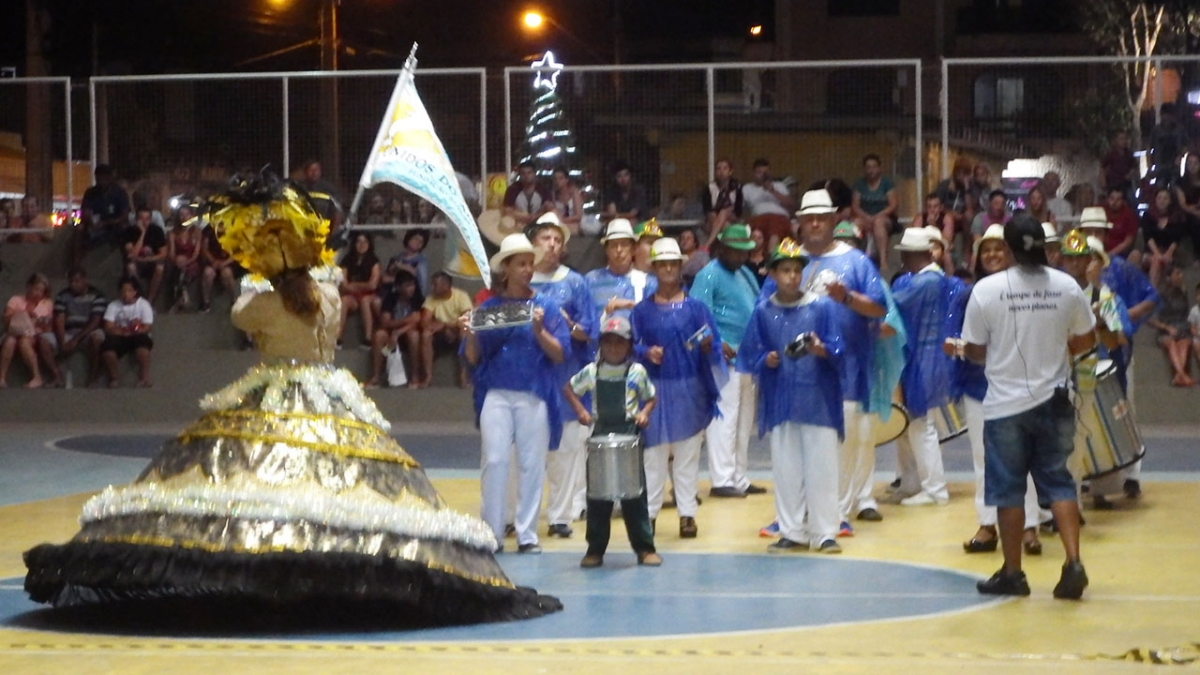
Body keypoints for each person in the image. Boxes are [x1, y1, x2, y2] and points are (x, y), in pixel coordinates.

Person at [25, 173, 561, 624]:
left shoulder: (261, 302)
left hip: (273, 385)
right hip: (326, 389)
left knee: (253, 474)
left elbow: (241, 318)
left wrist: (256, 278)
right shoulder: (329, 296)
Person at [961, 213, 1096, 600]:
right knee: (1059, 483)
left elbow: (974, 351)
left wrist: (986, 350)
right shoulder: (1067, 287)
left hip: (1005, 407)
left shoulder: (986, 291)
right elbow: (1087, 340)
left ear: (1007, 249)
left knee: (1008, 491)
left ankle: (1013, 573)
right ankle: (1073, 562)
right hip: (1055, 399)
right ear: (1045, 247)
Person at [760, 189, 887, 532]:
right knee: (791, 449)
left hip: (843, 371)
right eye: (808, 219)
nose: (815, 224)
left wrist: (846, 298)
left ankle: (834, 514)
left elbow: (879, 307)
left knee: (836, 448)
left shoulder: (856, 262)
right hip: (792, 376)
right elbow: (765, 310)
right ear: (799, 223)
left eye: (821, 218)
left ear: (834, 220)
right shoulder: (786, 260)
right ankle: (792, 517)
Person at [462, 233, 570, 554]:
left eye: (529, 264)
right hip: (496, 393)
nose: (527, 270)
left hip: (533, 394)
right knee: (495, 460)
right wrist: (470, 334)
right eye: (520, 264)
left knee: (532, 464)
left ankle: (527, 534)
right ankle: (492, 532)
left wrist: (539, 331)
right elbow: (473, 357)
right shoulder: (488, 308)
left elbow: (560, 353)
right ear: (506, 268)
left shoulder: (545, 306)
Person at [738, 238, 845, 554]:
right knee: (786, 470)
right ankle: (792, 531)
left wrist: (822, 350)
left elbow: (839, 349)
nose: (792, 277)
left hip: (818, 400)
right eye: (785, 270)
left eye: (797, 271)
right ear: (772, 274)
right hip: (781, 400)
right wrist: (766, 360)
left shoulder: (821, 307)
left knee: (822, 468)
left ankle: (825, 532)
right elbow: (750, 353)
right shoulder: (763, 312)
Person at [949, 225, 1043, 555]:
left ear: (1011, 252)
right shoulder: (969, 294)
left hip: (1020, 385)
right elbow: (960, 337)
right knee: (983, 457)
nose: (992, 255)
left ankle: (1029, 526)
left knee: (1024, 457)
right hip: (979, 387)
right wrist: (957, 349)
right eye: (986, 250)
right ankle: (988, 523)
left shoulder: (1029, 291)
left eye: (998, 248)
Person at [632, 237, 724, 538]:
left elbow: (714, 345)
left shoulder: (696, 309)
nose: (669, 269)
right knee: (653, 456)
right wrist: (646, 352)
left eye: (673, 264)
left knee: (687, 456)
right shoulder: (641, 311)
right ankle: (649, 516)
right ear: (654, 268)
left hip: (689, 388)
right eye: (663, 264)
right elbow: (629, 348)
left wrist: (708, 345)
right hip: (654, 391)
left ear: (680, 267)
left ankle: (687, 514)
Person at [563, 315, 661, 568]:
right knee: (598, 497)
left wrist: (644, 413)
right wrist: (581, 411)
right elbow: (569, 389)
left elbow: (651, 397)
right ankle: (595, 549)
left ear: (629, 346)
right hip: (600, 436)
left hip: (629, 436)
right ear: (600, 345)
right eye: (608, 343)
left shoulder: (637, 372)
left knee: (634, 496)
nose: (614, 348)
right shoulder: (591, 371)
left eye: (620, 343)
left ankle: (644, 548)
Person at [527, 212, 598, 540]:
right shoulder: (521, 282)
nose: (552, 245)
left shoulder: (575, 282)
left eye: (558, 240)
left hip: (567, 374)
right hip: (529, 375)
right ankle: (520, 515)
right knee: (526, 450)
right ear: (533, 243)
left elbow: (589, 330)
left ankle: (560, 515)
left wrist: (569, 326)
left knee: (567, 449)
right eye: (546, 238)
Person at [690, 223, 764, 498]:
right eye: (735, 251)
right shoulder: (708, 275)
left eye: (744, 252)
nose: (741, 256)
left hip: (748, 356)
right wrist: (716, 343)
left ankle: (739, 477)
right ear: (721, 248)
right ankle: (721, 479)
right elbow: (696, 318)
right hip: (722, 359)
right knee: (725, 417)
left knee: (744, 421)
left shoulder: (745, 273)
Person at [889, 228, 953, 507]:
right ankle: (912, 482)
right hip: (924, 358)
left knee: (920, 425)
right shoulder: (932, 279)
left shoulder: (925, 282)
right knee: (909, 425)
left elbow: (890, 305)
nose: (903, 259)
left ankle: (935, 489)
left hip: (924, 360)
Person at [586, 218, 658, 322]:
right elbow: (583, 317)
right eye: (614, 245)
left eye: (624, 244)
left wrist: (628, 304)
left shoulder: (649, 283)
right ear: (606, 250)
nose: (619, 250)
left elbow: (656, 318)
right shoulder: (590, 280)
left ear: (633, 249)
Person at [46, 269, 107, 388]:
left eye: (77, 281)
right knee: (44, 342)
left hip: (88, 331)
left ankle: (93, 378)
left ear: (84, 280)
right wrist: (62, 342)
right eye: (71, 282)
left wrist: (75, 340)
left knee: (96, 339)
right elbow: (59, 320)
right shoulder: (63, 295)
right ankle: (57, 376)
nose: (73, 284)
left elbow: (95, 321)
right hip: (68, 331)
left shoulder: (97, 295)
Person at [366, 269, 425, 388]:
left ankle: (415, 376)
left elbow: (417, 322)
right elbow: (385, 323)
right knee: (379, 335)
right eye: (407, 286)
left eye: (412, 285)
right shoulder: (391, 298)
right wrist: (406, 320)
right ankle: (376, 376)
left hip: (406, 333)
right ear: (398, 287)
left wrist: (398, 332)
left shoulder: (418, 299)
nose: (411, 289)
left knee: (414, 335)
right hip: (391, 334)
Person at [419, 271, 473, 388]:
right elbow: (424, 321)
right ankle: (428, 376)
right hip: (440, 333)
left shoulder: (461, 296)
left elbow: (467, 320)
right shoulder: (431, 299)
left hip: (457, 331)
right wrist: (443, 328)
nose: (432, 288)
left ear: (445, 285)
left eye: (435, 285)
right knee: (426, 334)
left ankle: (464, 375)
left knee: (465, 332)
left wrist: (446, 325)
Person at [1, 273, 54, 389]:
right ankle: (2, 377)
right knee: (10, 341)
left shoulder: (47, 303)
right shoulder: (16, 300)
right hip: (14, 331)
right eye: (36, 289)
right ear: (29, 287)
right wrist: (23, 313)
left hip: (34, 334)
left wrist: (41, 322)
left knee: (24, 341)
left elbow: (49, 327)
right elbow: (6, 319)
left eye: (41, 291)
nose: (38, 293)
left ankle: (37, 377)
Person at [100, 276, 154, 388]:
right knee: (107, 346)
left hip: (137, 335)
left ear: (135, 292)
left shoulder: (143, 304)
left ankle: (144, 378)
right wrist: (122, 332)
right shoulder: (113, 305)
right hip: (120, 336)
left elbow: (147, 327)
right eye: (123, 291)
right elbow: (108, 327)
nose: (125, 294)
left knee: (142, 343)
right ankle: (114, 379)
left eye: (129, 291)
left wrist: (134, 330)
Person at [73, 164, 131, 268]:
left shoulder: (119, 192)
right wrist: (90, 220)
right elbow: (85, 211)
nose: (101, 182)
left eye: (104, 178)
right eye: (99, 178)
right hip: (94, 225)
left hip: (113, 225)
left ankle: (126, 263)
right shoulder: (90, 192)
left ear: (110, 178)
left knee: (125, 230)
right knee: (79, 229)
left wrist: (106, 223)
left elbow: (124, 215)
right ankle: (77, 264)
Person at [851, 154, 900, 274]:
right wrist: (867, 217)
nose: (871, 170)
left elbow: (893, 205)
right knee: (855, 224)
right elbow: (855, 206)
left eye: (874, 167)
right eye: (868, 167)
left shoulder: (887, 183)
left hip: (884, 217)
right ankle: (855, 259)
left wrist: (877, 216)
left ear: (879, 168)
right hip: (864, 217)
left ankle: (883, 261)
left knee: (879, 223)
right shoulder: (859, 184)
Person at [1148, 266, 1195, 387]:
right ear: (1169, 277)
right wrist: (1167, 328)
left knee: (1184, 343)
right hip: (1166, 330)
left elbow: (1186, 314)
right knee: (1171, 343)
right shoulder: (1161, 295)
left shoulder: (1183, 293)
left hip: (1182, 328)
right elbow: (1151, 319)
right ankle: (1182, 374)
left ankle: (1179, 376)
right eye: (1177, 273)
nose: (1181, 276)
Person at [336, 232, 381, 348]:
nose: (362, 245)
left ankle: (367, 339)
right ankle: (338, 338)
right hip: (352, 295)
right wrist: (360, 286)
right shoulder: (347, 260)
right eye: (359, 241)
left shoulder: (374, 261)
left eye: (365, 242)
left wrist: (354, 284)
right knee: (344, 300)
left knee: (365, 301)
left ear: (369, 244)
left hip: (370, 295)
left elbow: (373, 285)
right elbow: (344, 284)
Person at [1139, 188, 1188, 287]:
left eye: (1165, 198)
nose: (1162, 201)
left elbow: (1176, 239)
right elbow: (1148, 236)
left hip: (1169, 253)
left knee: (1157, 261)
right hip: (1151, 251)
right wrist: (1157, 253)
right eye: (1159, 198)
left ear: (1170, 201)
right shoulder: (1147, 215)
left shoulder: (1178, 217)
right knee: (1152, 259)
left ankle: (1152, 292)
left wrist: (1168, 254)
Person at [742, 158, 796, 247]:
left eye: (765, 172)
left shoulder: (779, 185)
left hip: (779, 217)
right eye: (759, 172)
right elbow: (740, 209)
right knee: (757, 229)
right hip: (758, 218)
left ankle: (771, 254)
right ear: (754, 173)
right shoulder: (747, 188)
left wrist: (773, 191)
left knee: (775, 226)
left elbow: (791, 204)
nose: (763, 175)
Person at [122, 207, 168, 306]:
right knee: (130, 267)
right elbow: (132, 254)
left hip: (151, 261)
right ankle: (139, 297)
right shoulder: (129, 231)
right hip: (137, 262)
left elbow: (163, 253)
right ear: (136, 219)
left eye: (147, 218)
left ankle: (150, 301)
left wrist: (150, 258)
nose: (144, 221)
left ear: (150, 220)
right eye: (141, 218)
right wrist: (142, 233)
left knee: (160, 268)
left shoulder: (157, 230)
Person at [200, 222, 241, 312]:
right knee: (208, 273)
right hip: (212, 261)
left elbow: (237, 252)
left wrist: (224, 263)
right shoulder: (209, 229)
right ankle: (206, 302)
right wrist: (213, 261)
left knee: (226, 273)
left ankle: (233, 300)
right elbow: (204, 249)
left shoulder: (233, 229)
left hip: (228, 261)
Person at [702, 158, 743, 245]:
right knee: (725, 225)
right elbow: (708, 211)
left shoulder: (737, 187)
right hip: (713, 221)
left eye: (725, 168)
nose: (721, 171)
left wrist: (727, 214)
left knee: (724, 212)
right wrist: (719, 221)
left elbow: (738, 211)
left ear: (730, 171)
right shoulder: (709, 188)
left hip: (732, 218)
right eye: (718, 169)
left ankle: (708, 244)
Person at [502, 161, 553, 230]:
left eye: (529, 173)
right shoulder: (512, 189)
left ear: (534, 174)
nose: (526, 176)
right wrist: (524, 217)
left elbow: (550, 208)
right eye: (523, 173)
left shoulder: (543, 189)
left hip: (539, 223)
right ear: (520, 175)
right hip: (518, 224)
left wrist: (536, 216)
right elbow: (507, 211)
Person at [168, 218, 204, 312]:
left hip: (192, 261)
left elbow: (196, 254)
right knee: (177, 267)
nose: (184, 217)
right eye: (181, 215)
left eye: (187, 214)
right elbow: (171, 253)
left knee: (184, 269)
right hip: (177, 261)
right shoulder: (172, 233)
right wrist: (177, 260)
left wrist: (186, 262)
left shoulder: (197, 232)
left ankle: (180, 299)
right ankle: (184, 296)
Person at [385, 228, 431, 297]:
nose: (417, 243)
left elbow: (421, 282)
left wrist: (403, 268)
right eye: (415, 239)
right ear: (409, 239)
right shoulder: (397, 258)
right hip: (393, 293)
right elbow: (386, 277)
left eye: (421, 242)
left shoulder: (421, 261)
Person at [970, 190, 1011, 267]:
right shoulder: (979, 218)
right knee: (974, 256)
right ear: (989, 204)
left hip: (1003, 249)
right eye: (996, 203)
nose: (999, 207)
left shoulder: (1010, 220)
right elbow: (977, 242)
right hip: (985, 249)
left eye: (1002, 204)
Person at [1173, 153, 1200, 261]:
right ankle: (1197, 254)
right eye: (1190, 163)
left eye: (1196, 163)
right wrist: (1195, 212)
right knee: (1195, 222)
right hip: (1188, 212)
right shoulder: (1180, 182)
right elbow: (1183, 204)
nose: (1193, 166)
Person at [1102, 188, 1138, 258]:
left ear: (1123, 201)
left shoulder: (1129, 215)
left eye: (1118, 199)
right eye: (1112, 198)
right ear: (1108, 199)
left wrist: (1110, 254)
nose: (1114, 202)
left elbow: (1128, 241)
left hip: (1121, 254)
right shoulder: (1101, 210)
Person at [551, 165, 584, 234]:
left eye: (561, 178)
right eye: (555, 179)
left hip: (575, 224)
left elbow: (578, 216)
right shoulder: (553, 195)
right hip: (560, 225)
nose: (557, 181)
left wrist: (562, 220)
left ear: (566, 180)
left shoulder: (574, 192)